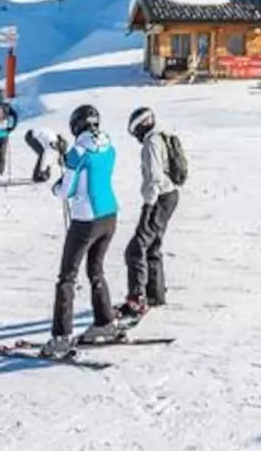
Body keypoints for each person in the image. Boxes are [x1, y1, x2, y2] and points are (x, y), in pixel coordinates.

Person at [42, 104, 121, 358]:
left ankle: (62, 336)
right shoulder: (109, 145)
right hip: (109, 215)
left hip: (86, 219)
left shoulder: (77, 152)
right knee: (95, 270)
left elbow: (67, 191)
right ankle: (105, 321)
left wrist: (57, 186)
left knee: (67, 276)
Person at [120, 108, 181, 320]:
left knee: (136, 248)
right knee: (153, 244)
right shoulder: (163, 136)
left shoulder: (151, 142)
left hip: (160, 198)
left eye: (135, 130)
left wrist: (148, 206)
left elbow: (154, 177)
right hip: (170, 195)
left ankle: (137, 299)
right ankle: (155, 294)